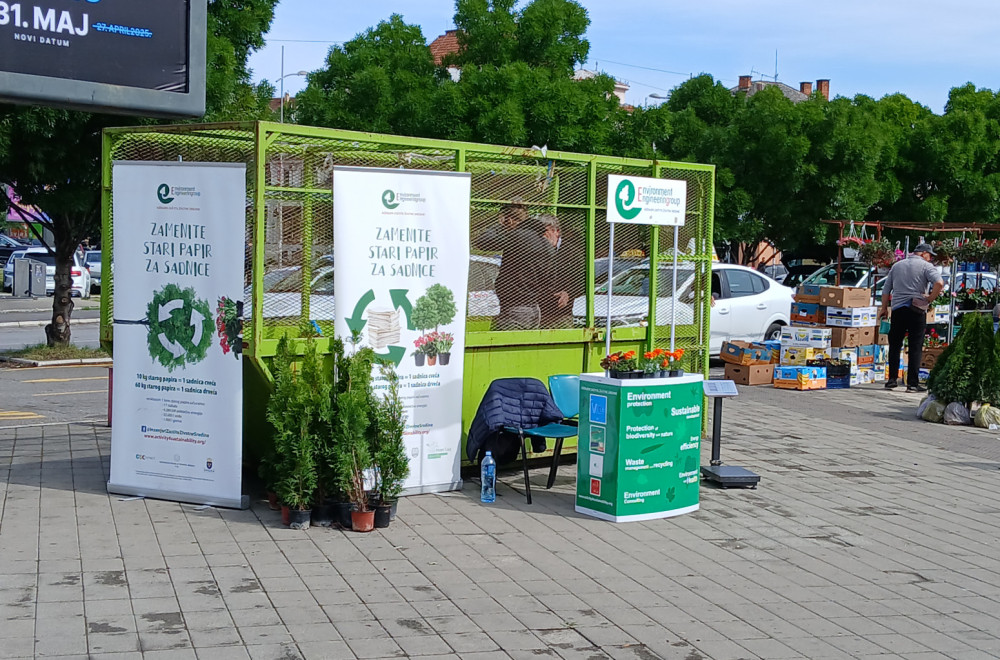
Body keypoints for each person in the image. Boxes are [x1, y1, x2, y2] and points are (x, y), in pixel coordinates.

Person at [474, 199, 555, 330]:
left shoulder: (515, 237)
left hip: (513, 308)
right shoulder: (547, 245)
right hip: (534, 308)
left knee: (499, 348)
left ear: (509, 220)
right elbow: (550, 281)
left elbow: (482, 241)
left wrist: (499, 225)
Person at [879, 243, 945, 392]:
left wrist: (884, 308)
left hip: (898, 309)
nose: (931, 259)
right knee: (915, 346)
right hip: (916, 309)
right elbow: (939, 283)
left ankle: (892, 380)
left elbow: (886, 289)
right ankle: (912, 384)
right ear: (923, 254)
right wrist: (929, 298)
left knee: (895, 344)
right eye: (930, 255)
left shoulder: (897, 266)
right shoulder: (926, 267)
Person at [536, 214, 579, 328]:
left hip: (561, 313)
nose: (542, 235)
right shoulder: (535, 250)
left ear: (557, 231)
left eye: (545, 231)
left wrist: (568, 293)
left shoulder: (572, 253)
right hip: (539, 311)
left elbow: (582, 280)